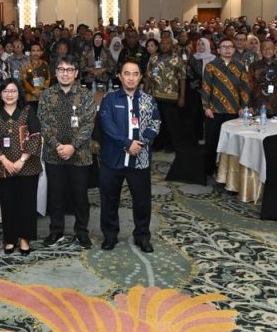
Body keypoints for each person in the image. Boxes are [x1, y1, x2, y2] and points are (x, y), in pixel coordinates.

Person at [97, 59, 161, 252]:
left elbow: (155, 123)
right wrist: (127, 143)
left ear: (140, 77)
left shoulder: (149, 100)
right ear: (120, 76)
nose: (131, 78)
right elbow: (106, 124)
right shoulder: (109, 99)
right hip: (112, 158)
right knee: (109, 200)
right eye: (127, 73)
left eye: (135, 74)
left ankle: (142, 236)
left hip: (140, 159)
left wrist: (140, 143)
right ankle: (110, 236)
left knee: (142, 201)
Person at [37, 55, 96, 248]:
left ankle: (82, 232)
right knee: (56, 196)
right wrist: (57, 146)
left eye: (69, 70)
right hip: (54, 154)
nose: (65, 74)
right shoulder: (47, 95)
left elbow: (89, 124)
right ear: (56, 72)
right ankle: (56, 231)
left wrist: (72, 146)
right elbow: (43, 123)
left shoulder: (86, 95)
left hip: (80, 155)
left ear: (76, 73)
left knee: (80, 196)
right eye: (61, 70)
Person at [0, 78, 42, 255]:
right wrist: (5, 161)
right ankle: (10, 239)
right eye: (6, 91)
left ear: (19, 94)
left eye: (13, 91)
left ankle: (25, 239)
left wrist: (21, 160)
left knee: (27, 203)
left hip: (28, 166)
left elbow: (36, 136)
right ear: (0, 94)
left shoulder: (28, 111)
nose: (9, 94)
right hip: (4, 166)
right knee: (8, 203)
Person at [202, 39, 248, 179]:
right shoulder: (211, 66)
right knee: (212, 141)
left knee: (232, 144)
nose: (227, 49)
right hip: (215, 110)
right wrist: (206, 107)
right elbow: (206, 88)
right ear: (219, 50)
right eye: (224, 47)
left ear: (234, 49)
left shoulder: (240, 66)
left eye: (230, 47)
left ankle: (229, 173)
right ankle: (209, 170)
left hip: (234, 111)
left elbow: (244, 88)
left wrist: (243, 107)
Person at [144, 35, 186, 152]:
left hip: (171, 96)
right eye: (162, 43)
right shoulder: (153, 58)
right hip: (155, 95)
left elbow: (182, 78)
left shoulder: (177, 59)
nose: (164, 45)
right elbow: (148, 76)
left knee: (171, 123)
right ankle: (158, 144)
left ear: (172, 45)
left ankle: (171, 145)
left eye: (167, 43)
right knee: (157, 121)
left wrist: (182, 97)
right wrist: (145, 93)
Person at [248, 38, 277, 116]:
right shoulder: (254, 66)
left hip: (276, 105)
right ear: (261, 50)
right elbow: (250, 86)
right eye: (264, 49)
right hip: (258, 104)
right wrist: (249, 105)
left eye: (270, 48)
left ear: (274, 50)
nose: (267, 51)